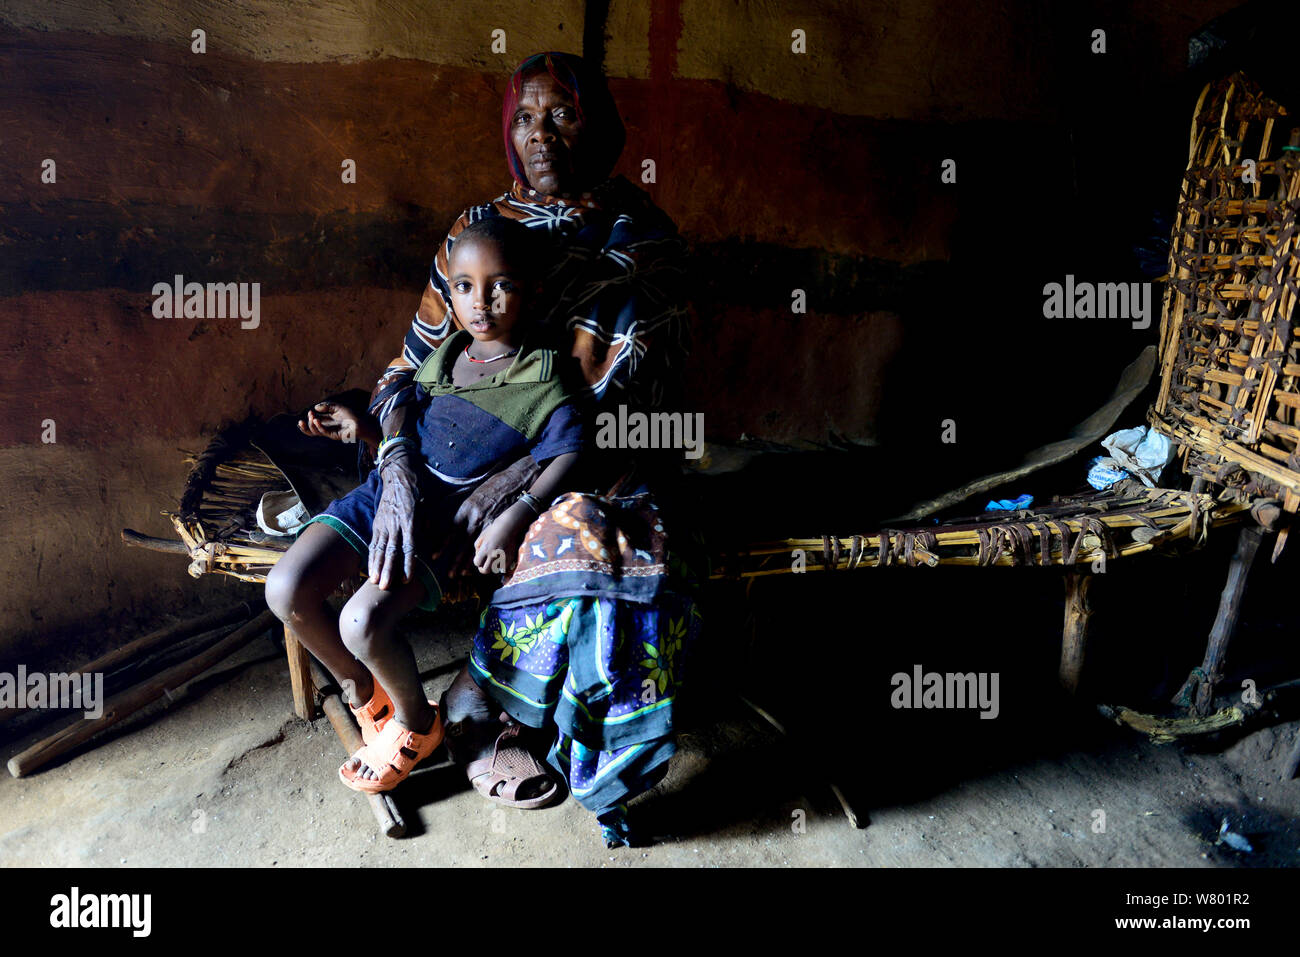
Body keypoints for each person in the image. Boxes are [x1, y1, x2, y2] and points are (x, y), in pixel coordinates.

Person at [299, 52, 701, 843]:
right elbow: (405, 372)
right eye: (525, 116)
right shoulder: (472, 234)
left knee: (583, 537)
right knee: (424, 510)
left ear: (602, 125)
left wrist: (520, 485)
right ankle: (426, 703)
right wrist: (399, 465)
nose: (541, 135)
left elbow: (643, 406)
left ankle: (496, 711)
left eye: (563, 114)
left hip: (594, 458)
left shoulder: (642, 239)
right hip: (456, 467)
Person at [266, 216, 588, 794]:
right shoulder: (449, 352)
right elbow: (407, 412)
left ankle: (419, 724)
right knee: (285, 588)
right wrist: (372, 432)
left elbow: (568, 453)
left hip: (444, 523)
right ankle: (366, 693)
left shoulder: (548, 376)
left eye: (501, 285)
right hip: (387, 495)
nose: (480, 302)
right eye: (463, 286)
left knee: (361, 620)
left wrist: (515, 512)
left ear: (533, 291)